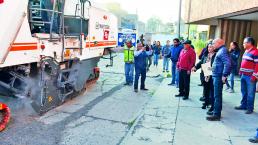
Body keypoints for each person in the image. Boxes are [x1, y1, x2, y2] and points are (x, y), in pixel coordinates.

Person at [206, 38, 231, 121]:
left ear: (218, 43)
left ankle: (216, 115)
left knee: (217, 96)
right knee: (216, 95)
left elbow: (227, 63)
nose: (212, 45)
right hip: (216, 75)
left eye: (213, 43)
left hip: (218, 76)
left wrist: (224, 75)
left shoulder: (222, 51)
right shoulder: (221, 50)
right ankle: (215, 111)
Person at [235, 37, 258, 114]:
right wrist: (240, 72)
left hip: (250, 76)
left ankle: (250, 108)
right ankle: (243, 105)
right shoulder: (246, 51)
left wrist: (254, 76)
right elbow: (243, 62)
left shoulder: (255, 52)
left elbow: (257, 65)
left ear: (249, 43)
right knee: (244, 91)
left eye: (244, 43)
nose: (243, 44)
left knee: (250, 93)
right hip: (243, 75)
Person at [192, 43, 216, 110]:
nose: (209, 48)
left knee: (212, 90)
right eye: (208, 47)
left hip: (212, 75)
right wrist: (195, 67)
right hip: (205, 73)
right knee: (206, 90)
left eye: (211, 47)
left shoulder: (216, 55)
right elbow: (201, 63)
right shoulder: (205, 55)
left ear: (214, 48)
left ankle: (212, 105)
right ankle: (206, 102)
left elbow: (216, 66)